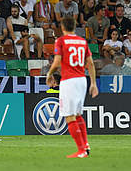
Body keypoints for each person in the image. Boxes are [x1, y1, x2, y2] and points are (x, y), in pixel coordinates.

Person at [46, 16, 98, 158]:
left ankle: (81, 150)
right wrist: (93, 83)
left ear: (62, 27)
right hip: (82, 80)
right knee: (77, 115)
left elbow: (56, 62)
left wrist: (49, 74)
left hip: (69, 81)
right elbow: (91, 64)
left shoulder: (61, 41)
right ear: (74, 27)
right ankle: (85, 145)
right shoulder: (82, 41)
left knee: (69, 116)